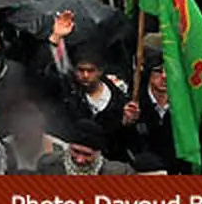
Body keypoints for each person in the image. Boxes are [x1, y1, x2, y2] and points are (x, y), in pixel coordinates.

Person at [38, 11, 132, 160]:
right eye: (81, 70)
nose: (85, 75)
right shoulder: (68, 93)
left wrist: (126, 123)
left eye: (90, 71)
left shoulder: (119, 98)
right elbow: (42, 72)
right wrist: (55, 38)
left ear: (101, 71)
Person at [36, 120, 134, 175]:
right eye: (75, 151)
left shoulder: (120, 173)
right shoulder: (47, 165)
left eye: (87, 154)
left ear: (98, 153)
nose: (80, 160)